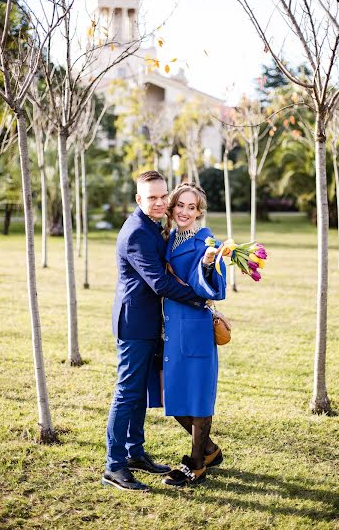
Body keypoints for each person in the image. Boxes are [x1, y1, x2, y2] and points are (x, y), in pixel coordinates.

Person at [102, 171, 204, 492]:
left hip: (148, 322)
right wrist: (200, 296)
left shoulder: (152, 226)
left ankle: (135, 453)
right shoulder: (136, 233)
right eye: (152, 198)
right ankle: (114, 465)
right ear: (139, 200)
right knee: (127, 392)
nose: (160, 203)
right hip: (134, 324)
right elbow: (159, 281)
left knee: (140, 392)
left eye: (163, 197)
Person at [161, 182, 227, 487]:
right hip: (173, 328)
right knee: (173, 396)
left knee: (198, 398)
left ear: (199, 212)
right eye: (180, 205)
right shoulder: (170, 237)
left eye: (192, 207)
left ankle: (197, 464)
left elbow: (217, 288)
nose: (185, 211)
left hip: (196, 326)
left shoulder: (207, 241)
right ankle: (210, 449)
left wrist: (207, 263)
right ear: (173, 207)